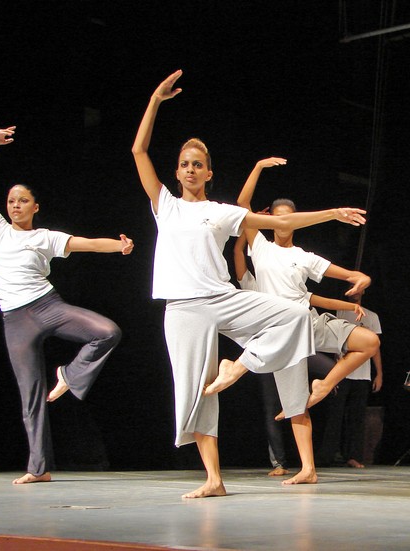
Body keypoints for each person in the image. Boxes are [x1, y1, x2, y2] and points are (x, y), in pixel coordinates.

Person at [131, 70, 366, 497]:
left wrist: (331, 213)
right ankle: (214, 480)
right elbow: (138, 149)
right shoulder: (165, 205)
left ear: (208, 173)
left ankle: (238, 365)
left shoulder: (221, 211)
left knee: (294, 316)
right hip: (182, 307)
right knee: (196, 392)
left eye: (197, 165)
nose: (190, 169)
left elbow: (279, 222)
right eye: (184, 164)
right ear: (177, 172)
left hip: (222, 297)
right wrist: (155, 101)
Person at [0, 126, 131, 485]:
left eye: (22, 201)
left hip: (47, 306)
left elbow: (87, 244)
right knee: (30, 395)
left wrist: (119, 246)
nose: (15, 205)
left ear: (35, 207)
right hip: (15, 321)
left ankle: (69, 375)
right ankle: (38, 468)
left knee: (107, 332)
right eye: (11, 201)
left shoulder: (45, 237)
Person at [229, 157, 381, 417]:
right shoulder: (262, 248)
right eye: (278, 219)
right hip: (279, 332)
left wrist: (361, 278)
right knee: (295, 409)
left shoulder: (304, 256)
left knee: (370, 341)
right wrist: (258, 167)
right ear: (271, 221)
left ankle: (324, 385)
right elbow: (243, 204)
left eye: (290, 218)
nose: (284, 223)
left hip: (308, 324)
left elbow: (343, 279)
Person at [232, 230, 336, 478]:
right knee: (272, 405)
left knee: (332, 372)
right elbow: (238, 252)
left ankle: (300, 402)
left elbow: (314, 298)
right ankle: (278, 462)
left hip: (295, 343)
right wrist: (247, 228)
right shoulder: (254, 285)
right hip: (268, 350)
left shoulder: (286, 284)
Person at [318, 291, 383, 468]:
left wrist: (379, 374)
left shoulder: (372, 316)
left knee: (357, 417)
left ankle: (353, 456)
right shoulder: (341, 312)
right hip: (342, 372)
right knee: (335, 416)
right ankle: (327, 455)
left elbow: (375, 348)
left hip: (362, 374)